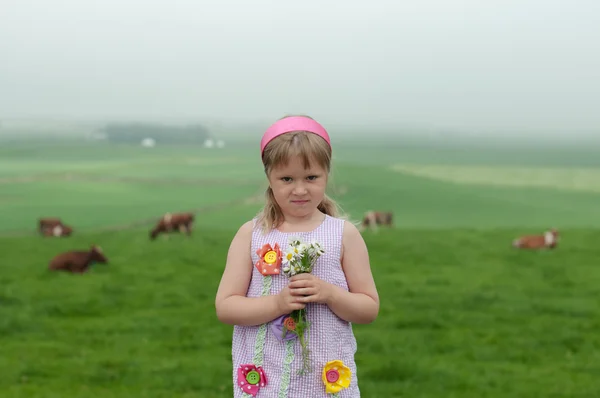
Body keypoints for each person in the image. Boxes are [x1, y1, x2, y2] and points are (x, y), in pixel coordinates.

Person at [215, 115, 379, 397]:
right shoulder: (251, 235)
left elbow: (368, 309)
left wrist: (331, 294)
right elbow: (226, 307)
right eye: (287, 178)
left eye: (311, 177)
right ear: (269, 178)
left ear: (326, 174)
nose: (300, 189)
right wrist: (278, 302)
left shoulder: (344, 235)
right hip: (265, 384)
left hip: (324, 386)